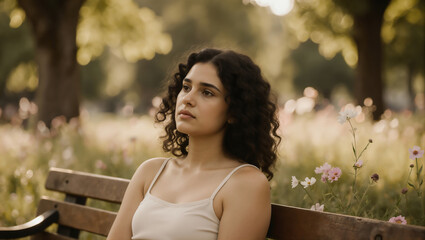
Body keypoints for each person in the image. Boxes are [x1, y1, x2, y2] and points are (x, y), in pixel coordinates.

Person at [107, 48, 281, 240]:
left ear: (234, 111)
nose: (188, 99)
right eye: (186, 87)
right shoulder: (151, 171)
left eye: (207, 92)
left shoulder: (245, 183)